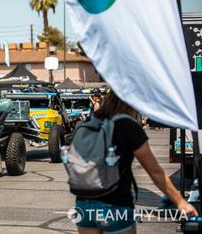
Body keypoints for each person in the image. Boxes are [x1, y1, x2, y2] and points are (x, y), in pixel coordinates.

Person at [74, 91, 198, 234]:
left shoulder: (91, 122)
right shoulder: (127, 125)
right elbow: (155, 171)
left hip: (84, 202)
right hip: (115, 204)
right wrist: (180, 202)